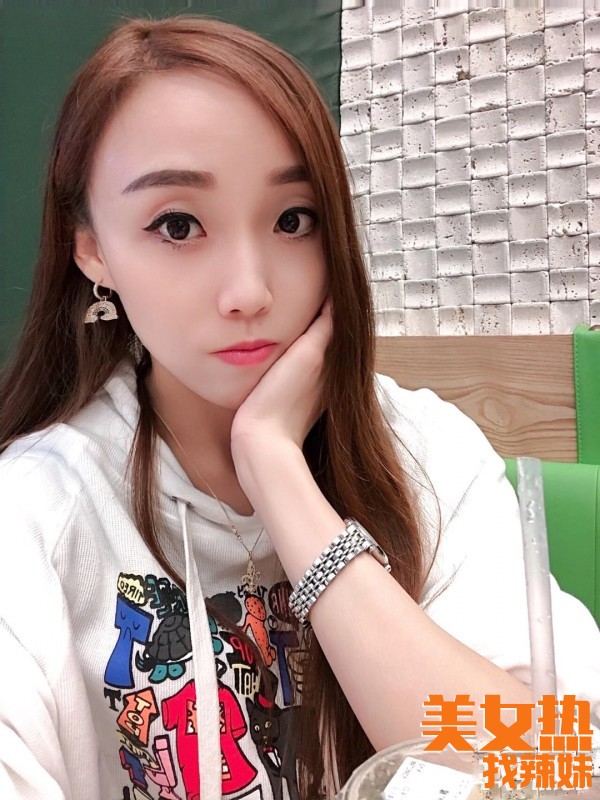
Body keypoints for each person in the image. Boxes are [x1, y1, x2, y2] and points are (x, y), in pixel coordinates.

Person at [0, 14, 598, 800]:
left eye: (293, 220)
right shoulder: (34, 513)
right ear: (93, 250)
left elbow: (563, 767)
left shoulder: (425, 452)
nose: (250, 291)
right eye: (177, 225)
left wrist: (279, 474)